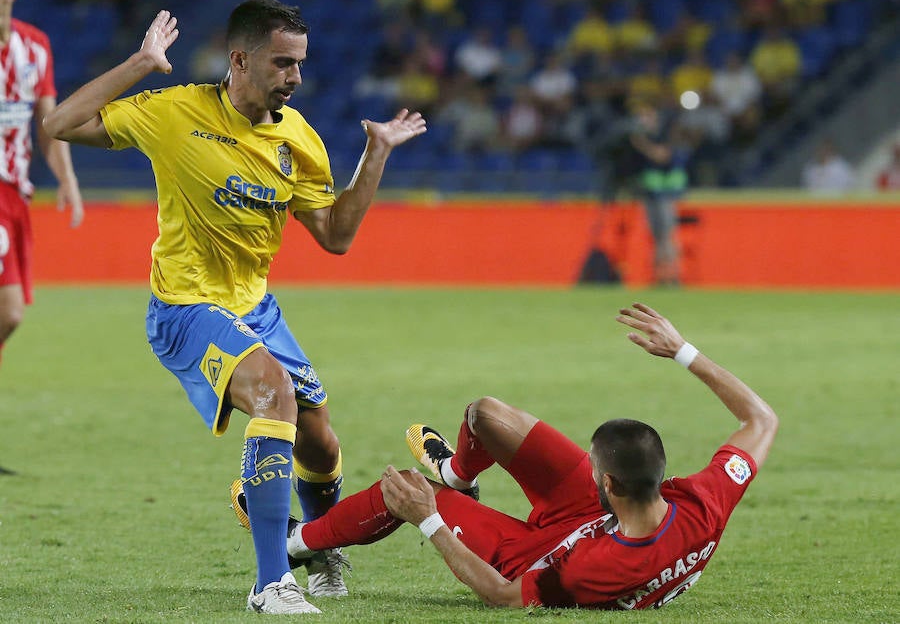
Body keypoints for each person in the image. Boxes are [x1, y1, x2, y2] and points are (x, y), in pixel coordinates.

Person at [42, 0, 426, 614]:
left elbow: (337, 237)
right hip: (184, 307)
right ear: (239, 60)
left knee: (321, 441)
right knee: (274, 393)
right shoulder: (173, 112)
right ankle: (271, 582)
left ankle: (318, 550)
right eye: (281, 64)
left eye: (299, 64)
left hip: (256, 309)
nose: (295, 77)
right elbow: (60, 124)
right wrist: (142, 62)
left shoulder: (299, 138)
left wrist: (376, 153)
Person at [232, 302, 779, 610]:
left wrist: (430, 522)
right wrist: (682, 350)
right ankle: (458, 473)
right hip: (595, 519)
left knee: (401, 492)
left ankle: (290, 544)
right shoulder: (705, 502)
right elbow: (762, 419)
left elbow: (501, 595)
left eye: (591, 462)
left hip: (535, 553)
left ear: (608, 481)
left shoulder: (593, 572)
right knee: (486, 416)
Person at [0, 0, 83, 381]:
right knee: (10, 311)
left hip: (17, 193)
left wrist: (67, 178)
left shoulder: (35, 47)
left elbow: (52, 126)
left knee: (9, 313)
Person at [627, 102, 690, 286]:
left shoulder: (665, 134)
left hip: (666, 192)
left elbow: (661, 155)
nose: (643, 120)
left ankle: (673, 275)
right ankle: (660, 276)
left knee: (667, 235)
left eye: (647, 115)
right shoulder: (645, 137)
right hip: (650, 192)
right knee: (656, 237)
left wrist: (640, 144)